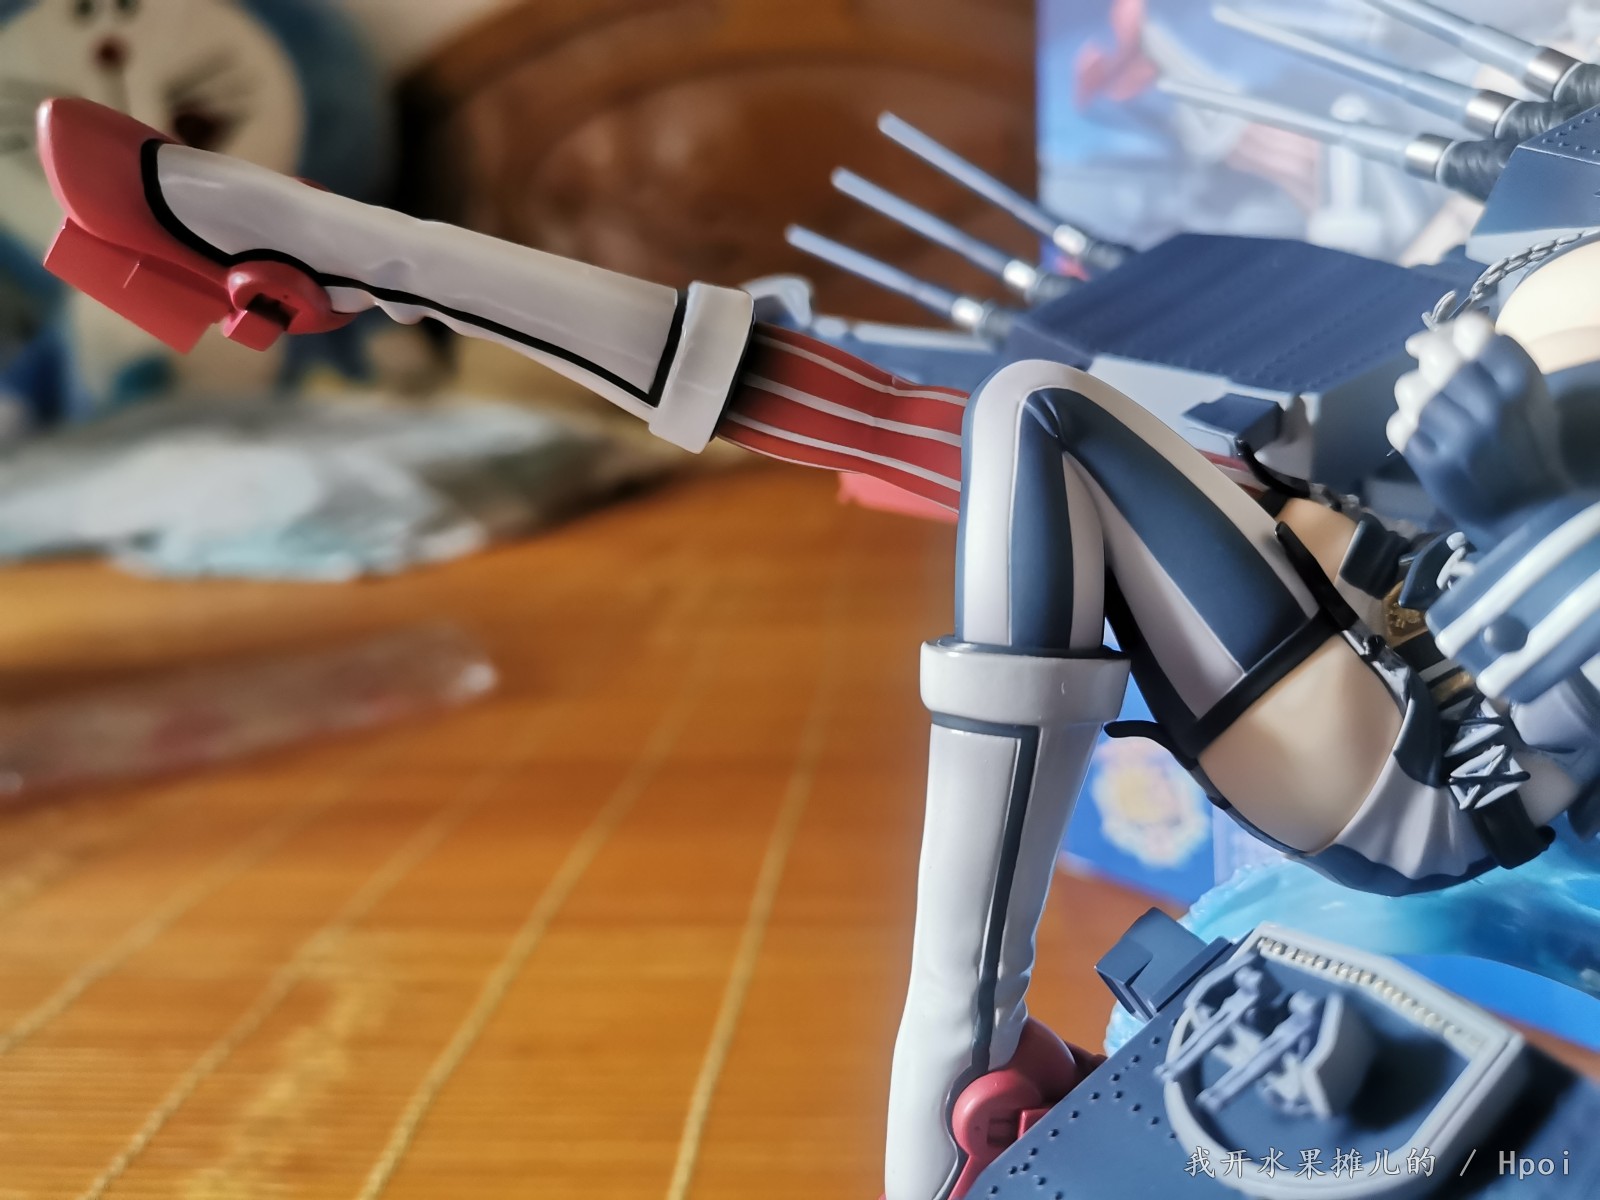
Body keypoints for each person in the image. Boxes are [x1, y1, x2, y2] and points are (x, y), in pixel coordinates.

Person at [34, 97, 1600, 1200]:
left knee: (1027, 420)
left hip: (1435, 761)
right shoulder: (1539, 240)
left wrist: (1520, 509)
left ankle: (951, 1058)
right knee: (916, 405)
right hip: (1351, 594)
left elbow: (1538, 730)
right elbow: (1329, 437)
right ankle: (353, 250)